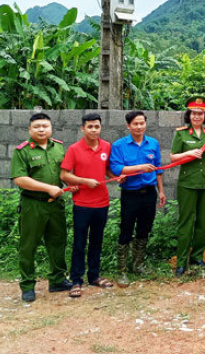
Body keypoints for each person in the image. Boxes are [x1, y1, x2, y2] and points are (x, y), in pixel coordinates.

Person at [60, 113, 125, 298]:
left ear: (100, 128)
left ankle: (94, 276)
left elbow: (106, 169)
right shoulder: (74, 149)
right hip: (82, 203)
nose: (94, 130)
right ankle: (76, 280)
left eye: (97, 126)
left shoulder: (106, 146)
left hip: (102, 202)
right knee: (80, 243)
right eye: (90, 127)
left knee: (97, 241)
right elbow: (64, 174)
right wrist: (84, 181)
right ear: (83, 128)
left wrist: (115, 177)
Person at [10, 113, 73, 303]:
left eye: (45, 126)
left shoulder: (59, 147)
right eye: (36, 126)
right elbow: (20, 179)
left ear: (51, 128)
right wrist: (48, 188)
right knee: (28, 246)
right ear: (30, 130)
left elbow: (65, 173)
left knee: (58, 242)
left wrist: (73, 183)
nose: (41, 129)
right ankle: (28, 286)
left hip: (56, 205)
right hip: (33, 204)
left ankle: (58, 279)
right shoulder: (22, 151)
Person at [109, 111, 166, 287]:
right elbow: (116, 167)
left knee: (144, 229)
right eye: (135, 124)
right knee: (126, 230)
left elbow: (158, 170)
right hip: (130, 194)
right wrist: (138, 167)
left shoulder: (153, 144)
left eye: (142, 123)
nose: (139, 127)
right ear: (128, 126)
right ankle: (122, 271)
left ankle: (138, 264)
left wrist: (161, 191)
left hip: (149, 193)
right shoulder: (119, 145)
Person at [170, 97, 205, 277]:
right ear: (189, 115)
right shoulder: (181, 133)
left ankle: (197, 257)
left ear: (204, 115)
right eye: (193, 113)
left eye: (200, 113)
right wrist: (188, 153)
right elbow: (173, 158)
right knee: (186, 222)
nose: (197, 116)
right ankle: (181, 262)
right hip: (188, 183)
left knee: (202, 221)